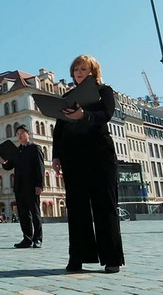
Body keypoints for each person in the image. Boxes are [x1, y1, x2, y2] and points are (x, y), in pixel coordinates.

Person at [52, 54, 125, 274]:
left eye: (84, 69)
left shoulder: (104, 91)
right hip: (73, 157)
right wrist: (56, 156)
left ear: (93, 71)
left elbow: (107, 114)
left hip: (100, 154)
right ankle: (78, 257)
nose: (79, 73)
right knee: (76, 209)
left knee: (105, 205)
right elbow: (59, 129)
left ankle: (111, 258)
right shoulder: (67, 96)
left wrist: (84, 115)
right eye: (76, 70)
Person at [2, 124, 45, 249]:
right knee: (23, 215)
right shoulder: (16, 151)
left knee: (35, 214)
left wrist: (39, 185)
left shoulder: (35, 148)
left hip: (32, 187)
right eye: (18, 134)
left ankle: (38, 239)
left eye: (22, 133)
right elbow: (9, 166)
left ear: (28, 134)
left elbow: (40, 168)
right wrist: (4, 163)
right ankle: (27, 239)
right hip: (19, 187)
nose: (20, 135)